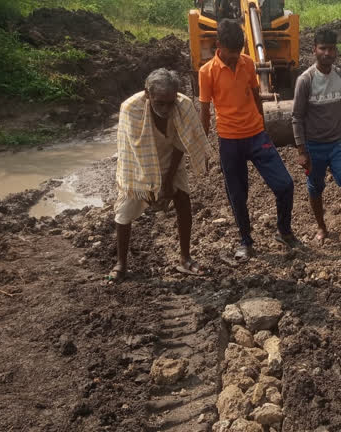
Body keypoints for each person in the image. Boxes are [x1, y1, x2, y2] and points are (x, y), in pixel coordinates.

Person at [199, 18, 300, 262]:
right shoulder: (206, 72)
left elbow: (255, 95)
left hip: (256, 136)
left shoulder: (247, 64)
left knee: (285, 184)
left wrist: (263, 127)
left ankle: (284, 232)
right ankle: (246, 240)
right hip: (229, 141)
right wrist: (202, 147)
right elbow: (204, 113)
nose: (235, 58)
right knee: (237, 194)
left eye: (239, 52)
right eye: (231, 53)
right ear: (218, 45)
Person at [109, 69, 214, 282]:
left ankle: (185, 258)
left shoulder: (183, 105)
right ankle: (121, 263)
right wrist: (149, 186)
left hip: (169, 156)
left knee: (183, 198)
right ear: (148, 94)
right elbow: (132, 149)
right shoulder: (130, 109)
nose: (166, 109)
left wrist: (166, 181)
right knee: (125, 210)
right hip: (137, 161)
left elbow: (181, 144)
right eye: (160, 103)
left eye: (170, 103)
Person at [292, 28, 341, 245]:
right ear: (314, 50)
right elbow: (297, 117)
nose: (327, 53)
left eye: (331, 49)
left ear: (336, 52)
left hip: (337, 143)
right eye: (323, 48)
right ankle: (322, 228)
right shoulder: (306, 80)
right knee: (315, 186)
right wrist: (302, 151)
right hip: (314, 146)